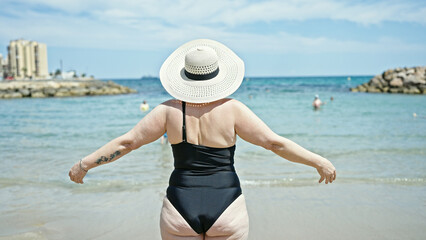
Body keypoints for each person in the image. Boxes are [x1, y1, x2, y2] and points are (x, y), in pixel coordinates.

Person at [69, 39, 336, 240]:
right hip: (227, 206)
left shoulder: (167, 110)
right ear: (218, 75)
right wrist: (318, 161)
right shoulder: (234, 109)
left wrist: (85, 164)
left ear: (184, 77)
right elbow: (274, 143)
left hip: (179, 207)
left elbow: (127, 143)